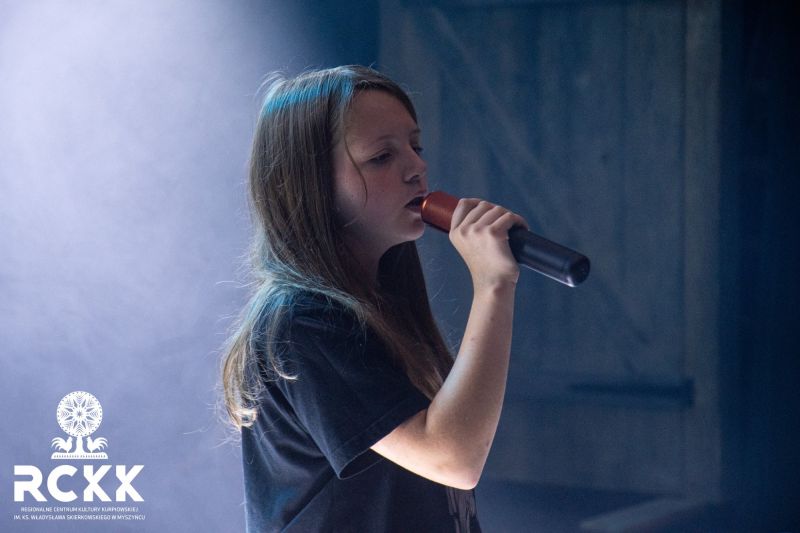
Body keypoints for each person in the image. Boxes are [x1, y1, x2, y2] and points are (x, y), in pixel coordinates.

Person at [221, 65, 527, 532]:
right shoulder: (303, 322)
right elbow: (453, 458)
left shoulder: (384, 309)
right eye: (382, 156)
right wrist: (493, 284)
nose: (416, 168)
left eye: (416, 147)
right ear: (310, 182)